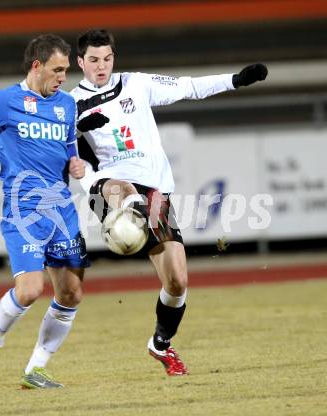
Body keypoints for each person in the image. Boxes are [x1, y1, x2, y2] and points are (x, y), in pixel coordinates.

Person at [71, 29, 268, 376]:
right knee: (123, 192)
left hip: (154, 194)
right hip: (110, 186)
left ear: (113, 58)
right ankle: (123, 221)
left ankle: (160, 343)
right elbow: (64, 153)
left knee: (176, 281)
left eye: (107, 59)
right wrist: (84, 163)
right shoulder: (70, 103)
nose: (101, 67)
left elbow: (188, 86)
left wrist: (235, 80)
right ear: (80, 62)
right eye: (93, 60)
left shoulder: (136, 84)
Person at [0, 34, 89, 389]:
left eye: (66, 70)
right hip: (23, 213)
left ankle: (35, 368)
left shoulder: (66, 105)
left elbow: (70, 147)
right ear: (36, 66)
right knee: (29, 290)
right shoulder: (5, 101)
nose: (63, 77)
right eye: (57, 69)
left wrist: (75, 162)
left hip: (62, 211)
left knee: (71, 293)